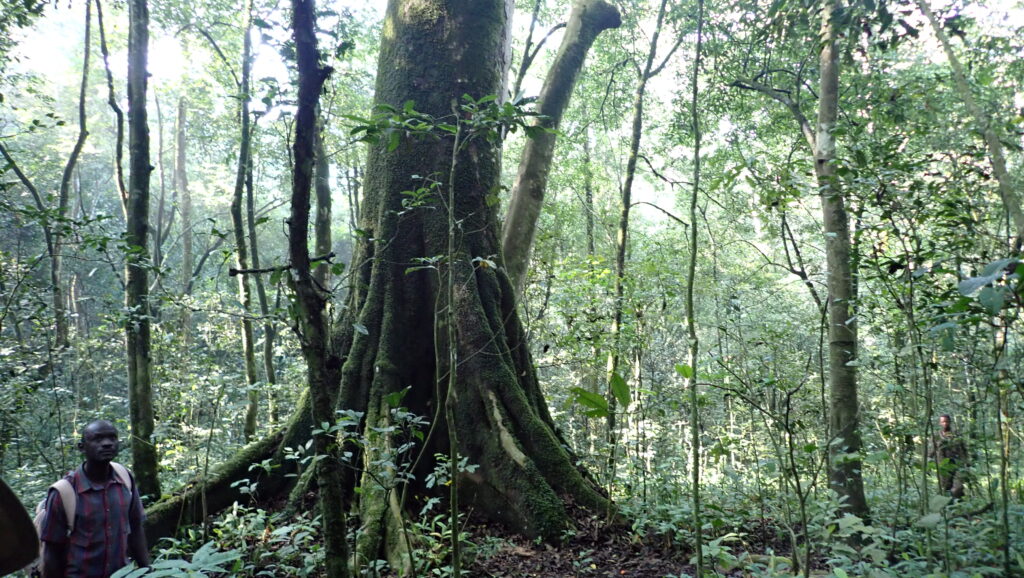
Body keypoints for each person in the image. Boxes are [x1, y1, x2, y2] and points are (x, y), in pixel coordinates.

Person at [39, 420, 150, 578]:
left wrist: (148, 570)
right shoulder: (64, 492)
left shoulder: (125, 479)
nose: (106, 443)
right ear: (82, 447)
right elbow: (52, 551)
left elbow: (136, 527)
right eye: (97, 439)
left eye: (112, 438)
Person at [931, 413, 968, 500]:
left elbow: (963, 449)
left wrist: (966, 462)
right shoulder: (936, 436)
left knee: (959, 487)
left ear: (950, 422)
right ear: (940, 423)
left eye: (947, 422)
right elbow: (931, 450)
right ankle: (948, 506)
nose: (945, 424)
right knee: (945, 487)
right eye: (943, 422)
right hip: (943, 465)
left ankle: (959, 504)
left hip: (957, 464)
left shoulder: (956, 435)